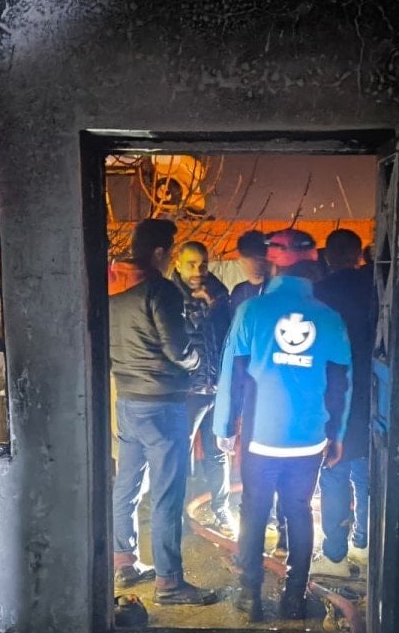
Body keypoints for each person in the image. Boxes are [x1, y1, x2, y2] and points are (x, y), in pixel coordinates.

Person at [214, 229, 352, 622]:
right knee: (299, 511)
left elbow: (232, 373)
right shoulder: (330, 318)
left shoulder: (251, 312)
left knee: (253, 510)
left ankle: (250, 595)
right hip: (308, 439)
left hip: (261, 437)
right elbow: (341, 383)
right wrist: (337, 434)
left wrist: (224, 426)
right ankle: (294, 598)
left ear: (273, 262)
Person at [109, 219, 218, 605]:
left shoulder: (112, 286)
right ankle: (169, 584)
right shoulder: (159, 290)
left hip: (127, 399)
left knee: (127, 484)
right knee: (168, 494)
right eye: (170, 252)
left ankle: (123, 561)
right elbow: (177, 349)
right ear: (159, 252)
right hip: (162, 401)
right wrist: (197, 360)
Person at [311, 229, 376, 578]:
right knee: (366, 473)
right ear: (358, 255)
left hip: (332, 392)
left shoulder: (319, 293)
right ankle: (365, 545)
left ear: (328, 256)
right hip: (372, 389)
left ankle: (335, 556)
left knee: (334, 473)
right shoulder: (375, 288)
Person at [228, 228, 289, 557]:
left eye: (259, 258)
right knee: (254, 473)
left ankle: (281, 536)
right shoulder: (240, 294)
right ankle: (250, 547)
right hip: (251, 395)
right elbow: (232, 349)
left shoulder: (280, 295)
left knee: (284, 471)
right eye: (248, 259)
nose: (255, 264)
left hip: (280, 394)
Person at [170, 241, 235, 535]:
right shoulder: (169, 296)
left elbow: (228, 337)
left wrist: (214, 305)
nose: (198, 271)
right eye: (191, 264)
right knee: (180, 454)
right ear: (178, 263)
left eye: (203, 264)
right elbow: (174, 343)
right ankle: (177, 517)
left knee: (218, 451)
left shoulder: (218, 293)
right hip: (187, 392)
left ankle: (221, 510)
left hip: (216, 387)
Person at [229, 229, 270, 312]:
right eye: (248, 262)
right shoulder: (239, 291)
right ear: (241, 261)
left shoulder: (275, 288)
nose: (255, 266)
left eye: (259, 260)